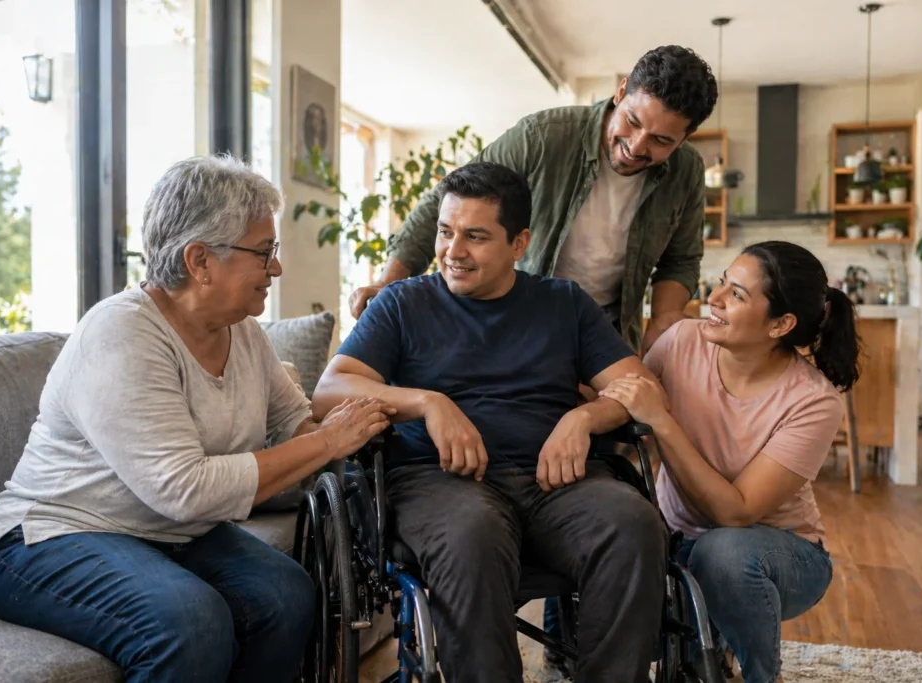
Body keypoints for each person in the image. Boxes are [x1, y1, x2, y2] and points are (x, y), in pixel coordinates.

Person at [0, 155, 393, 683]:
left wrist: (356, 424)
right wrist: (327, 443)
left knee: (286, 593)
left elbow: (292, 423)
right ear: (200, 260)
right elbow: (183, 489)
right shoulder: (123, 334)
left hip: (164, 532)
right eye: (265, 253)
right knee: (189, 622)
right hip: (47, 536)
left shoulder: (244, 333)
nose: (276, 268)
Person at [312, 161, 668, 683]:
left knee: (634, 525)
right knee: (473, 533)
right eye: (445, 231)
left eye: (476, 236)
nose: (453, 251)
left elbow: (642, 387)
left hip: (559, 481)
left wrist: (585, 417)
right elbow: (329, 390)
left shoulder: (563, 303)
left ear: (519, 242)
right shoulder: (402, 304)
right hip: (439, 482)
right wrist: (429, 403)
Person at [349, 44, 718, 357]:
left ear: (687, 137)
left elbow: (681, 260)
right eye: (632, 122)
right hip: (515, 320)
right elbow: (450, 199)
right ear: (621, 92)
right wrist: (388, 282)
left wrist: (663, 325)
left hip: (606, 333)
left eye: (661, 141)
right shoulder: (542, 137)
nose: (636, 147)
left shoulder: (686, 172)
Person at [599, 241, 860, 683]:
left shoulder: (813, 401)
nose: (713, 300)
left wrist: (663, 422)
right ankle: (709, 647)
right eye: (721, 284)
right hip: (678, 540)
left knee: (722, 553)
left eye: (736, 295)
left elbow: (735, 512)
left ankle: (762, 674)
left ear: (781, 324)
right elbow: (626, 401)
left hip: (776, 552)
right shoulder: (682, 340)